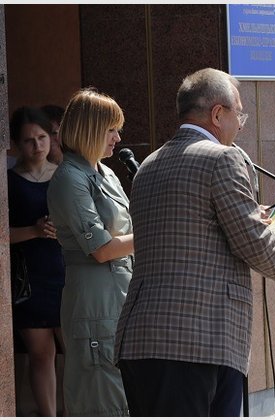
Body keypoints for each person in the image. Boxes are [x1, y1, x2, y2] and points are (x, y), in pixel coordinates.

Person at [114, 67, 275, 417]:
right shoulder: (224, 157)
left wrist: (248, 215)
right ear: (218, 114)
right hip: (200, 340)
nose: (242, 125)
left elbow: (190, 228)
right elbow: (251, 240)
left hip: (140, 339)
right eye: (239, 114)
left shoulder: (148, 165)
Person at [47, 88, 133, 416]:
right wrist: (155, 233)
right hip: (95, 301)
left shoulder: (105, 172)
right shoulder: (69, 178)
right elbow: (100, 249)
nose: (118, 138)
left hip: (120, 294)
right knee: (102, 400)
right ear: (90, 130)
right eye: (111, 129)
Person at [8, 107, 65, 416]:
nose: (38, 146)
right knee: (41, 354)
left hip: (66, 270)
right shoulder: (9, 182)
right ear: (16, 144)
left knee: (78, 350)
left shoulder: (65, 175)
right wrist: (34, 230)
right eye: (29, 141)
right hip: (29, 277)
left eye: (42, 137)